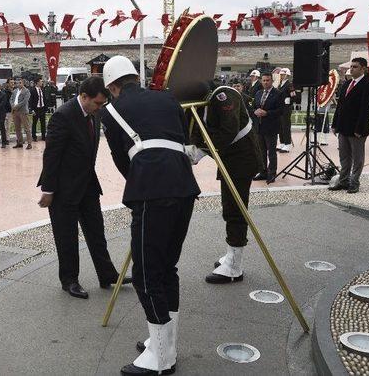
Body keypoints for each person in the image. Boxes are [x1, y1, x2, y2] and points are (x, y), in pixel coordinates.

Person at [100, 56, 199, 376]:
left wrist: (141, 179)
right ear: (134, 77)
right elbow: (183, 140)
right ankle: (164, 342)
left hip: (152, 192)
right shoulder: (167, 98)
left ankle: (162, 359)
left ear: (112, 87)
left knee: (145, 274)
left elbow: (121, 159)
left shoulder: (111, 110)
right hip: (184, 187)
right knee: (167, 268)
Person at [37, 76, 130, 300]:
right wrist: (48, 190)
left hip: (87, 184)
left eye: (102, 104)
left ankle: (106, 273)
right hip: (63, 189)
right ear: (84, 96)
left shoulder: (94, 114)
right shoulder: (63, 116)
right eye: (97, 103)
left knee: (97, 232)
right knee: (67, 237)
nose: (100, 108)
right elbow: (51, 156)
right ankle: (69, 280)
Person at [191, 85, 263, 284]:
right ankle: (232, 253)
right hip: (229, 160)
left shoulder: (224, 95)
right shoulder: (199, 103)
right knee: (229, 207)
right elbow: (197, 133)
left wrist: (195, 154)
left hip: (242, 159)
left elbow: (227, 131)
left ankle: (234, 266)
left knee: (235, 210)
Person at [329, 57, 369, 194]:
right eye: (351, 66)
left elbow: (366, 109)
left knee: (357, 158)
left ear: (363, 69)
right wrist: (335, 124)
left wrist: (359, 129)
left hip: (357, 129)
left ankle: (354, 183)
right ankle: (343, 181)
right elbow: (340, 106)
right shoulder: (347, 84)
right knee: (344, 157)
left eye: (355, 66)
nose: (352, 69)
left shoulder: (368, 86)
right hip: (343, 128)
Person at [253, 73, 283, 184]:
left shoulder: (278, 94)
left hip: (271, 127)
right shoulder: (258, 93)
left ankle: (272, 173)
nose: (266, 82)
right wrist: (255, 111)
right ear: (261, 81)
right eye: (264, 80)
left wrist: (267, 113)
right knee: (261, 152)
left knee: (271, 152)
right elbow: (254, 106)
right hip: (259, 127)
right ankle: (263, 172)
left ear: (272, 81)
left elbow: (281, 111)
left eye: (268, 80)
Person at [10, 78, 32, 149]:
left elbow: (25, 101)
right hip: (15, 111)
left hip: (22, 111)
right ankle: (20, 142)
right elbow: (11, 99)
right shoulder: (15, 91)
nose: (18, 84)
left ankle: (29, 143)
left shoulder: (27, 91)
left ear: (23, 83)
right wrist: (12, 105)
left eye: (20, 83)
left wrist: (16, 106)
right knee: (17, 128)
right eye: (17, 83)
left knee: (26, 128)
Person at [277, 68, 293, 153]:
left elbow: (294, 96)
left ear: (287, 75)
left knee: (286, 126)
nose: (281, 76)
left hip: (286, 108)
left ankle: (287, 144)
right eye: (281, 74)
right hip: (280, 108)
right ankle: (282, 142)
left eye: (283, 74)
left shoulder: (289, 85)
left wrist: (289, 101)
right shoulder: (280, 85)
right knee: (280, 126)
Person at [30, 78, 48, 142]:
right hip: (36, 109)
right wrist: (32, 109)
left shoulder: (42, 90)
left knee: (43, 123)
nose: (42, 83)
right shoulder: (33, 90)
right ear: (37, 82)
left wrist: (46, 108)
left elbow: (44, 99)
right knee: (34, 123)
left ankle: (43, 136)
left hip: (42, 108)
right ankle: (34, 136)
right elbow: (31, 101)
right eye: (41, 82)